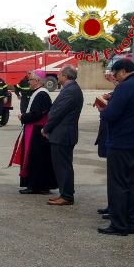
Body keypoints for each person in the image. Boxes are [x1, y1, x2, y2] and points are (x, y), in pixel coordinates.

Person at [98, 59, 134, 235]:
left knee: (117, 184)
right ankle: (130, 223)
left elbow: (111, 114)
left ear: (123, 71)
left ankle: (119, 225)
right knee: (131, 184)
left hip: (123, 143)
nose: (115, 78)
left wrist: (103, 110)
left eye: (115, 74)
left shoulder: (125, 87)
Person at [42, 65, 83, 206]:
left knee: (63, 166)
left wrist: (46, 128)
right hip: (62, 134)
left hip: (63, 135)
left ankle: (66, 196)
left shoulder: (70, 91)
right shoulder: (70, 89)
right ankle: (64, 193)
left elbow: (57, 113)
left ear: (65, 76)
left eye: (59, 75)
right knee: (62, 166)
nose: (57, 76)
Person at [14, 70, 56, 194]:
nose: (28, 81)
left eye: (30, 79)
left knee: (36, 159)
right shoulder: (38, 93)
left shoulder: (41, 94)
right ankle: (38, 185)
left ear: (37, 81)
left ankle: (36, 186)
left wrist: (23, 117)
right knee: (38, 158)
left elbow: (36, 114)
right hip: (35, 130)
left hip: (37, 131)